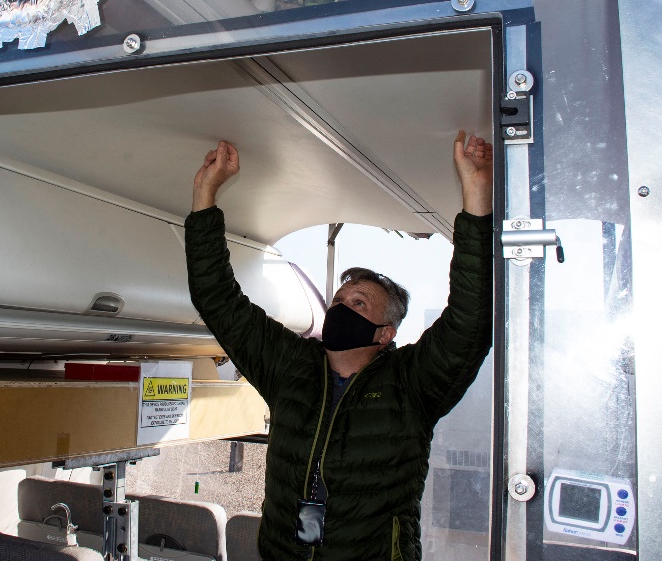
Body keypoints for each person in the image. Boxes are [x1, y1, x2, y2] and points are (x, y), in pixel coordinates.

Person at [184, 132, 493, 560]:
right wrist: (206, 191)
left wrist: (477, 194)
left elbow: (471, 320)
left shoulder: (412, 384)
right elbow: (216, 297)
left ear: (385, 333)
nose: (341, 309)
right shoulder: (289, 366)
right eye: (339, 301)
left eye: (359, 303)